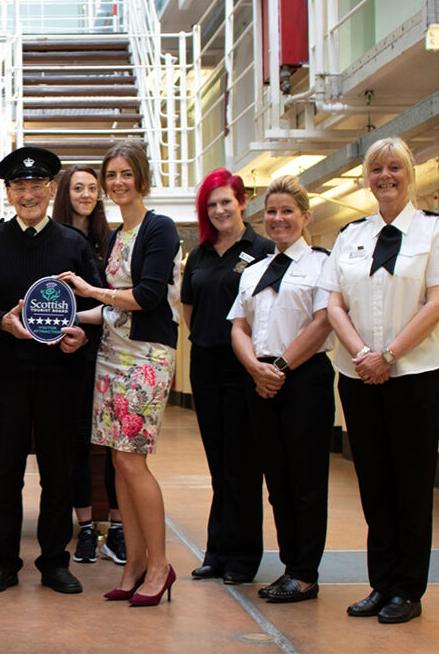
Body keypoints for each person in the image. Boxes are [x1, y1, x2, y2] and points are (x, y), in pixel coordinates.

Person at [0, 146, 100, 595]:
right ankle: (2, 562)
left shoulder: (72, 244)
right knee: (4, 471)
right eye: (19, 186)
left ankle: (55, 561)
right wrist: (1, 321)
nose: (28, 193)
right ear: (8, 192)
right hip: (7, 374)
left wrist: (80, 332)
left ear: (50, 189)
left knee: (59, 469)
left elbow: (97, 306)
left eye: (36, 185)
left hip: (62, 376)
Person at [319, 136, 439, 624]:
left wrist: (389, 354)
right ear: (366, 178)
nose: (385, 176)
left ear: (409, 174)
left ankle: (408, 590)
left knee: (410, 484)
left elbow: (435, 302)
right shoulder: (351, 236)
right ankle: (381, 582)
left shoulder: (432, 233)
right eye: (376, 169)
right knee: (372, 482)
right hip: (359, 376)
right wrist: (363, 355)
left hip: (415, 376)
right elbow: (333, 303)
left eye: (394, 168)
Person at [58, 140, 182, 606]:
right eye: (111, 174)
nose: (117, 182)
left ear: (142, 179)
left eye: (126, 173)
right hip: (112, 353)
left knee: (133, 461)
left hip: (146, 359)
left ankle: (160, 566)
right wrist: (69, 315)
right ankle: (132, 565)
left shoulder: (160, 228)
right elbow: (112, 311)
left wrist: (90, 289)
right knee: (116, 462)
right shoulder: (114, 238)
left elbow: (146, 298)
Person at [228, 175, 334, 603]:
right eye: (271, 211)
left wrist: (282, 367)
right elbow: (239, 325)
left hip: (303, 378)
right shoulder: (252, 271)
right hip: (261, 379)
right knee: (278, 479)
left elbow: (324, 321)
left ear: (305, 216)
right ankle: (291, 564)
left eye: (287, 211)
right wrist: (256, 367)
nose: (278, 218)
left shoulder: (321, 265)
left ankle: (305, 572)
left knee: (306, 478)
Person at [180, 168, 274, 585]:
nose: (219, 209)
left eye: (226, 201)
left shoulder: (263, 248)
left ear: (242, 202)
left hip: (245, 366)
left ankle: (243, 557)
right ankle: (217, 552)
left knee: (243, 463)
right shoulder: (198, 254)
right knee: (218, 464)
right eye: (211, 204)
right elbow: (188, 310)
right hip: (206, 364)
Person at [51, 165, 125, 565]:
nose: (86, 194)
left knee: (114, 445)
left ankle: (116, 527)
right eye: (78, 188)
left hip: (112, 350)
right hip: (71, 354)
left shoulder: (110, 240)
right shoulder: (55, 238)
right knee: (78, 442)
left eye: (92, 188)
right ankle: (84, 529)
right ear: (65, 192)